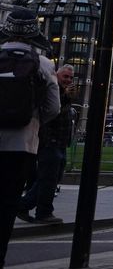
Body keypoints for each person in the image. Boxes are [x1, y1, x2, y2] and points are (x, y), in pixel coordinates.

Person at [0, 7, 60, 269]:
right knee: (8, 201)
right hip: (21, 143)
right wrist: (33, 122)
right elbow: (53, 108)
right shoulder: (44, 63)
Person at [17, 64, 75, 224]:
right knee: (48, 179)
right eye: (65, 76)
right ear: (57, 75)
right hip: (50, 141)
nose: (68, 80)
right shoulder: (52, 90)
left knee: (50, 178)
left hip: (60, 142)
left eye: (70, 78)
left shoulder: (63, 93)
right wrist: (64, 95)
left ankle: (23, 205)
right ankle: (43, 212)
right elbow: (52, 112)